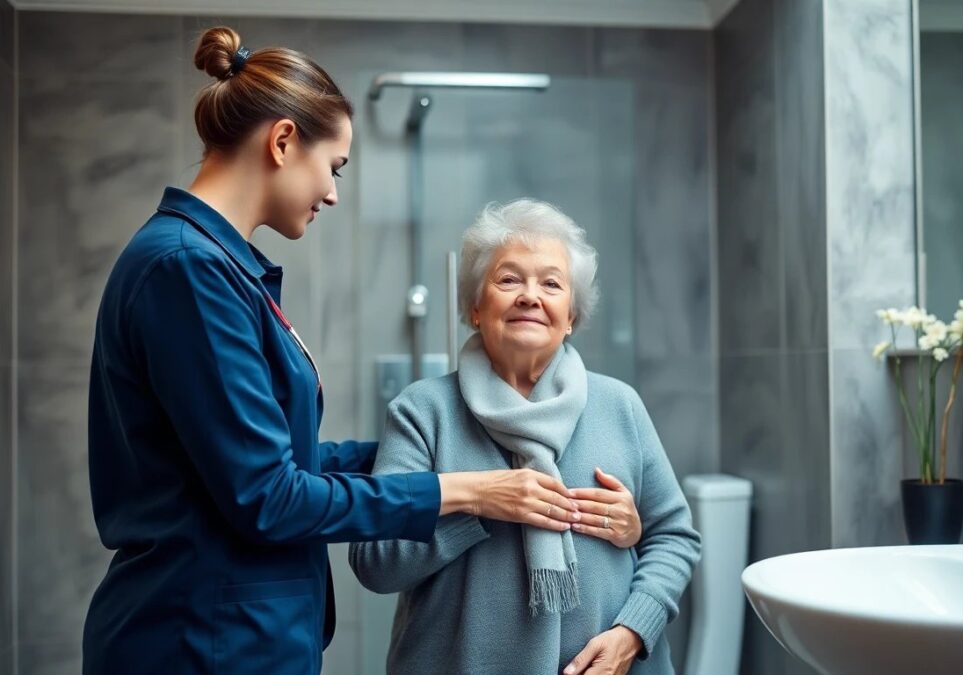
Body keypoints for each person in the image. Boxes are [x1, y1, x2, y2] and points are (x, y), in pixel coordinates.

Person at [82, 28, 587, 675]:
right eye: (336, 166)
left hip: (229, 634)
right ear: (284, 140)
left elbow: (268, 457)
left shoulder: (216, 269)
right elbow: (271, 496)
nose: (334, 193)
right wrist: (461, 488)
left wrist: (437, 445)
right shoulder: (188, 271)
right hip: (203, 640)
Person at [350, 199, 701, 675]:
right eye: (509, 279)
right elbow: (375, 562)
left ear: (571, 315)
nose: (530, 296)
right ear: (475, 308)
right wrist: (477, 505)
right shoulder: (422, 410)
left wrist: (632, 632)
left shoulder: (620, 405)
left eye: (551, 284)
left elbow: (674, 536)